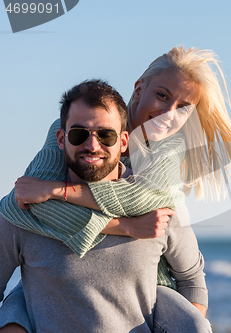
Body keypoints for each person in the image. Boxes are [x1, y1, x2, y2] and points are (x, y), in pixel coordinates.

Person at [0, 47, 231, 332]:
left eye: (183, 107)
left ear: (123, 141)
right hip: (58, 290)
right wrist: (14, 317)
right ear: (139, 89)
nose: (168, 113)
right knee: (28, 294)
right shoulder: (74, 123)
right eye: (162, 96)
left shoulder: (166, 163)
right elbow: (31, 198)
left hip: (153, 288)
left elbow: (140, 203)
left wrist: (58, 194)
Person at [0, 79, 211, 332]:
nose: (92, 145)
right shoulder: (24, 208)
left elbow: (192, 281)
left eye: (105, 135)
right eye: (79, 134)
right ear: (60, 138)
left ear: (123, 142)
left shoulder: (158, 207)